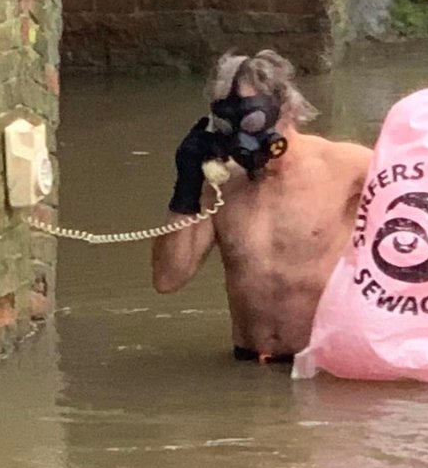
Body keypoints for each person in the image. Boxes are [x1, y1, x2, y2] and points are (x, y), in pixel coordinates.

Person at [150, 49, 374, 364]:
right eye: (228, 124)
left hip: (322, 365)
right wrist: (186, 185)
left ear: (287, 109)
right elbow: (168, 279)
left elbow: (424, 222)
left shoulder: (350, 167)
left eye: (252, 121)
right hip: (248, 364)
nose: (241, 137)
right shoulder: (220, 186)